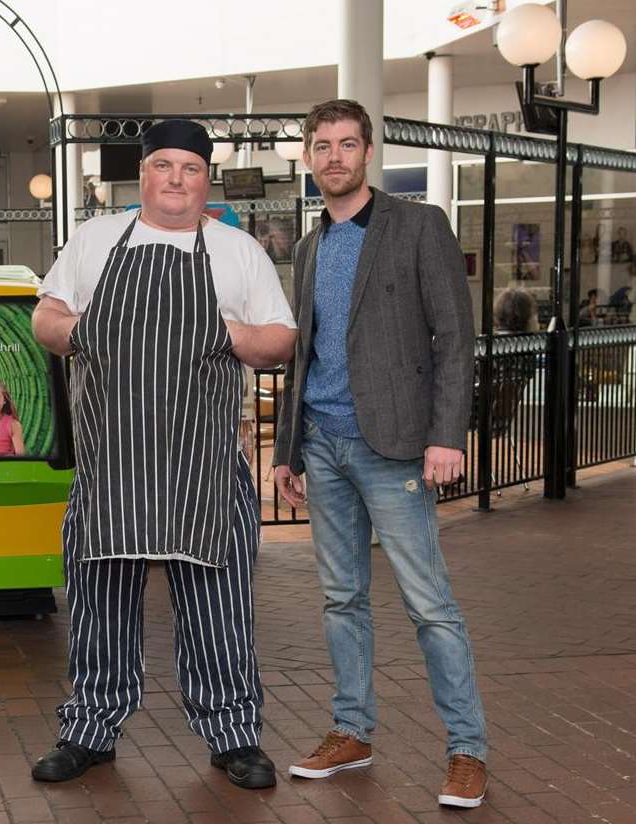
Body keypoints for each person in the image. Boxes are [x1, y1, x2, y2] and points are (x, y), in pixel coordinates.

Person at [30, 119, 297, 787]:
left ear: (205, 178)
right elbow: (44, 318)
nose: (175, 179)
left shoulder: (237, 252)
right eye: (162, 166)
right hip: (110, 467)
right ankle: (87, 730)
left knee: (219, 611)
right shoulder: (93, 241)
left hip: (201, 470)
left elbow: (279, 341)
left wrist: (223, 331)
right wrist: (81, 329)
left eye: (189, 168)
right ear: (142, 174)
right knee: (99, 607)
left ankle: (234, 737)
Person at [272, 100, 488, 809]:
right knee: (340, 598)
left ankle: (466, 750)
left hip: (394, 447)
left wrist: (445, 436)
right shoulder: (307, 247)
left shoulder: (417, 226)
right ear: (307, 157)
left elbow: (453, 339)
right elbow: (302, 354)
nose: (333, 156)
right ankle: (351, 731)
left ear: (368, 151)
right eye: (322, 145)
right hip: (323, 446)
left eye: (346, 144)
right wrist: (286, 449)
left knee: (430, 605)